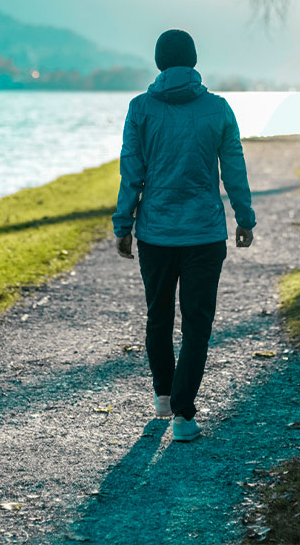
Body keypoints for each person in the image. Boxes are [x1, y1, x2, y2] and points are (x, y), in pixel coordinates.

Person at [112, 29, 256, 442]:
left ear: (159, 63)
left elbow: (131, 172)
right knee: (197, 324)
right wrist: (245, 218)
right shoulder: (219, 109)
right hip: (204, 235)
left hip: (155, 235)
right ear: (192, 61)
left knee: (158, 316)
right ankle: (183, 415)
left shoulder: (140, 109)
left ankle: (163, 395)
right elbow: (234, 169)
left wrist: (124, 225)